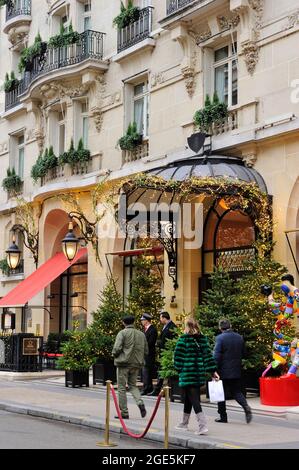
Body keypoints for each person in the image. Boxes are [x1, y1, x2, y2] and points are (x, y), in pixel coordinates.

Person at [174, 317, 219, 435]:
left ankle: (202, 426)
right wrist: (213, 371)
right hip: (198, 374)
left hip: (187, 373)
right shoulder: (202, 339)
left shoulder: (183, 340)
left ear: (186, 326)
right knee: (190, 398)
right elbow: (208, 357)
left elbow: (177, 359)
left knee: (194, 400)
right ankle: (184, 423)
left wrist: (180, 369)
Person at [214, 318, 252, 424]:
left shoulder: (220, 338)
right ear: (230, 326)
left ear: (220, 327)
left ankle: (223, 416)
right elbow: (244, 353)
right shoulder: (239, 337)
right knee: (236, 391)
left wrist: (213, 369)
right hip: (236, 369)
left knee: (220, 394)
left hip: (223, 371)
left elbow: (216, 356)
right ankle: (246, 406)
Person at [112, 315, 148, 419]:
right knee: (133, 385)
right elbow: (146, 350)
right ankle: (140, 402)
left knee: (122, 388)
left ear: (124, 323)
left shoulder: (122, 333)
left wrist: (115, 354)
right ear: (134, 322)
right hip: (136, 363)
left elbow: (116, 349)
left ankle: (124, 412)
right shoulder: (141, 334)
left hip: (123, 363)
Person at [148, 311, 177, 396]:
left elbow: (170, 341)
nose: (160, 320)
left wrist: (159, 343)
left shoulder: (172, 327)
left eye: (160, 318)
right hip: (163, 353)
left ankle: (158, 390)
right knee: (161, 372)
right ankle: (158, 390)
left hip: (167, 353)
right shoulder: (165, 326)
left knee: (161, 372)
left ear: (164, 318)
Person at [140, 313, 158, 395]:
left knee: (146, 371)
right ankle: (148, 387)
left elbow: (151, 342)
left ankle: (146, 388)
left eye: (142, 320)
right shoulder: (145, 329)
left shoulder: (152, 329)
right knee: (145, 371)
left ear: (147, 321)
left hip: (149, 353)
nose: (141, 322)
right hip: (144, 353)